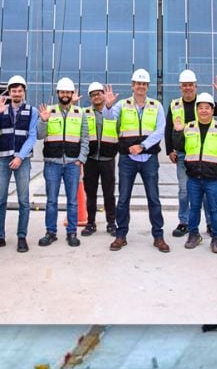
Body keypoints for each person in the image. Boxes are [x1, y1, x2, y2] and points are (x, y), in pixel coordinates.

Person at [111, 68, 170, 252]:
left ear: (147, 86)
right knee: (123, 199)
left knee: (153, 198)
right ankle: (121, 235)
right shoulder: (121, 105)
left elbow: (160, 130)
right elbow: (108, 119)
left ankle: (158, 236)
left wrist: (142, 146)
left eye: (144, 84)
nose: (141, 87)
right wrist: (106, 106)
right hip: (127, 159)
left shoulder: (156, 105)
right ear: (132, 85)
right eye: (138, 83)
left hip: (149, 158)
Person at [167, 69, 217, 238]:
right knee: (184, 190)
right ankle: (184, 222)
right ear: (180, 87)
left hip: (205, 156)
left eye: (190, 85)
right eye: (184, 85)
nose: (187, 88)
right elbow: (168, 128)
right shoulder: (174, 104)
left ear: (196, 86)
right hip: (182, 153)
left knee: (208, 193)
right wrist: (169, 150)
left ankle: (210, 223)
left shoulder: (204, 102)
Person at [0, 75, 38, 253]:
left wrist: (20, 157)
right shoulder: (1, 110)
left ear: (24, 92)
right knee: (0, 200)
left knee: (23, 200)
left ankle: (22, 236)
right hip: (2, 159)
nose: (16, 93)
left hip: (22, 160)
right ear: (9, 92)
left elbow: (32, 136)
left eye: (19, 90)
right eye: (13, 90)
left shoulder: (32, 111)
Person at [36, 77, 87, 248]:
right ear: (58, 93)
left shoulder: (80, 113)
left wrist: (82, 158)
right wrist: (43, 121)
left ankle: (72, 233)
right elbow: (39, 135)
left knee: (72, 201)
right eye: (62, 92)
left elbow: (85, 138)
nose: (65, 95)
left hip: (73, 163)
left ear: (72, 94)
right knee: (51, 200)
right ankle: (50, 232)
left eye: (68, 92)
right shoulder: (48, 111)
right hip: (52, 163)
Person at [181, 92, 217, 252]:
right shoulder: (189, 127)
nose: (204, 111)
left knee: (214, 209)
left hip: (213, 178)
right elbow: (180, 146)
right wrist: (177, 131)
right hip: (194, 177)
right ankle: (194, 234)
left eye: (207, 108)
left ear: (212, 110)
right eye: (201, 108)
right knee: (194, 207)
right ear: (197, 110)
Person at [81, 81, 118, 237]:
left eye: (99, 93)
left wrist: (109, 107)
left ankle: (111, 223)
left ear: (104, 95)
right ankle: (91, 223)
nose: (96, 96)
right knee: (91, 193)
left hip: (108, 158)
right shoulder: (84, 112)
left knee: (109, 193)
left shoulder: (114, 111)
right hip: (90, 159)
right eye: (93, 94)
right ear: (90, 98)